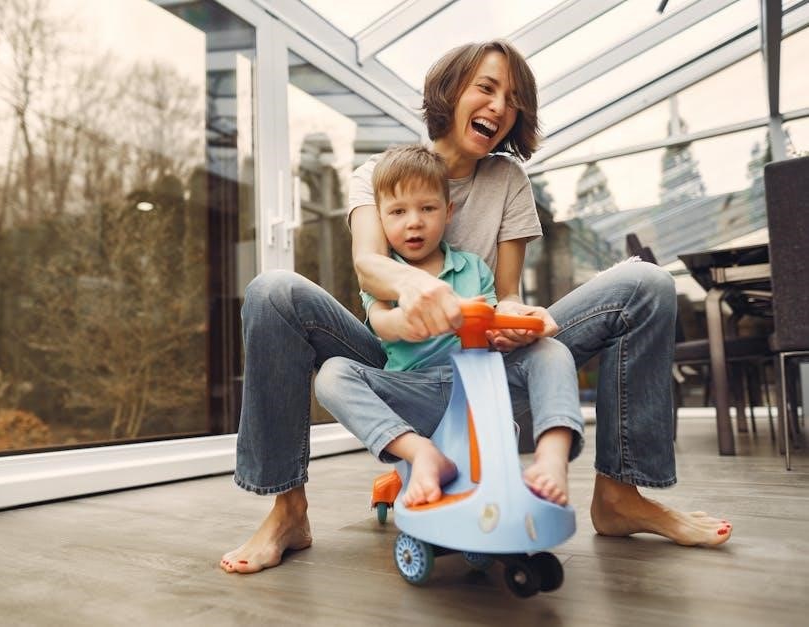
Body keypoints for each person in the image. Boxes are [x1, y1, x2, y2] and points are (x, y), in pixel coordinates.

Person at [220, 39, 732, 576]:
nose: (499, 106)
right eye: (486, 88)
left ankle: (620, 497)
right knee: (273, 291)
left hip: (483, 363)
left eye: (512, 100)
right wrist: (413, 290)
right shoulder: (377, 173)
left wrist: (515, 323)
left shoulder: (508, 181)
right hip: (395, 356)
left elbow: (506, 292)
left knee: (647, 282)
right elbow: (369, 266)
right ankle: (288, 512)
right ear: (450, 91)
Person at [315, 144, 583, 508]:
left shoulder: (474, 268)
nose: (414, 222)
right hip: (411, 391)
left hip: (477, 385)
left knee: (551, 350)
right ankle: (421, 452)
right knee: (332, 375)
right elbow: (381, 323)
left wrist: (511, 330)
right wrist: (404, 322)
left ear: (448, 211)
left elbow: (492, 320)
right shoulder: (385, 275)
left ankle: (551, 457)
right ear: (380, 218)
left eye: (427, 208)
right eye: (398, 211)